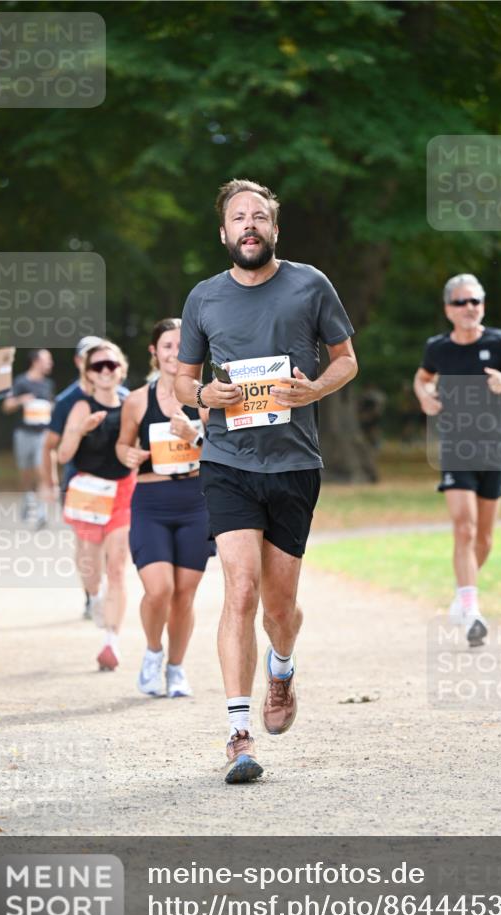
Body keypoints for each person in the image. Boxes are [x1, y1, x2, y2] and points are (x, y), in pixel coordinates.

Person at [175, 178, 358, 784]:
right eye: (238, 218)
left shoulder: (310, 284)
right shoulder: (203, 298)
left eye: (259, 216)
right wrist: (204, 394)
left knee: (279, 608)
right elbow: (183, 381)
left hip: (294, 464)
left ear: (274, 229)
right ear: (223, 233)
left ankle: (282, 665)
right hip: (227, 462)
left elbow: (347, 360)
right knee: (241, 592)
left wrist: (315, 388)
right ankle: (237, 731)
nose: (248, 225)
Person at [413, 273, 501, 646]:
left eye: (476, 301)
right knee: (464, 528)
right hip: (456, 446)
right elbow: (422, 378)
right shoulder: (438, 348)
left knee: (484, 538)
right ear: (448, 309)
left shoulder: (500, 343)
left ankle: (462, 593)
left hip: (494, 447)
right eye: (461, 302)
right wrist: (425, 396)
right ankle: (472, 612)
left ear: (482, 305)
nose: (470, 308)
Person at [116, 318, 214, 698]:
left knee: (184, 594)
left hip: (195, 502)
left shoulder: (207, 397)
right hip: (151, 503)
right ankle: (153, 653)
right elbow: (123, 446)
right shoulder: (137, 400)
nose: (175, 353)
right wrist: (128, 454)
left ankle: (176, 668)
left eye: (182, 345)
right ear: (155, 352)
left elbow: (221, 453)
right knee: (159, 590)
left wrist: (195, 435)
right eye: (168, 346)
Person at [57, 341, 135, 671]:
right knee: (91, 569)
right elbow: (62, 454)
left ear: (122, 369)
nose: (105, 371)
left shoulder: (133, 403)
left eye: (111, 365)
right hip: (88, 491)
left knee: (117, 564)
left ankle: (111, 643)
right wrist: (81, 429)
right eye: (97, 366)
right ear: (88, 373)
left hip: (123, 491)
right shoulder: (79, 406)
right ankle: (96, 597)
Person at [42, 336, 106, 619]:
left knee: (109, 543)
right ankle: (91, 596)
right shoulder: (67, 401)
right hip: (79, 480)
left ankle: (103, 591)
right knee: (85, 543)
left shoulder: (121, 394)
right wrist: (50, 483)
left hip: (115, 481)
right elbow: (49, 446)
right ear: (79, 362)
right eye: (88, 358)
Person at [2, 349, 55, 529]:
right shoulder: (20, 381)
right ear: (35, 362)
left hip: (42, 434)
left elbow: (51, 406)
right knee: (25, 472)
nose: (50, 363)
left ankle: (41, 512)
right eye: (47, 360)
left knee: (41, 470)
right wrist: (20, 400)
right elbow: (6, 406)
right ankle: (28, 495)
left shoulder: (48, 384)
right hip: (23, 434)